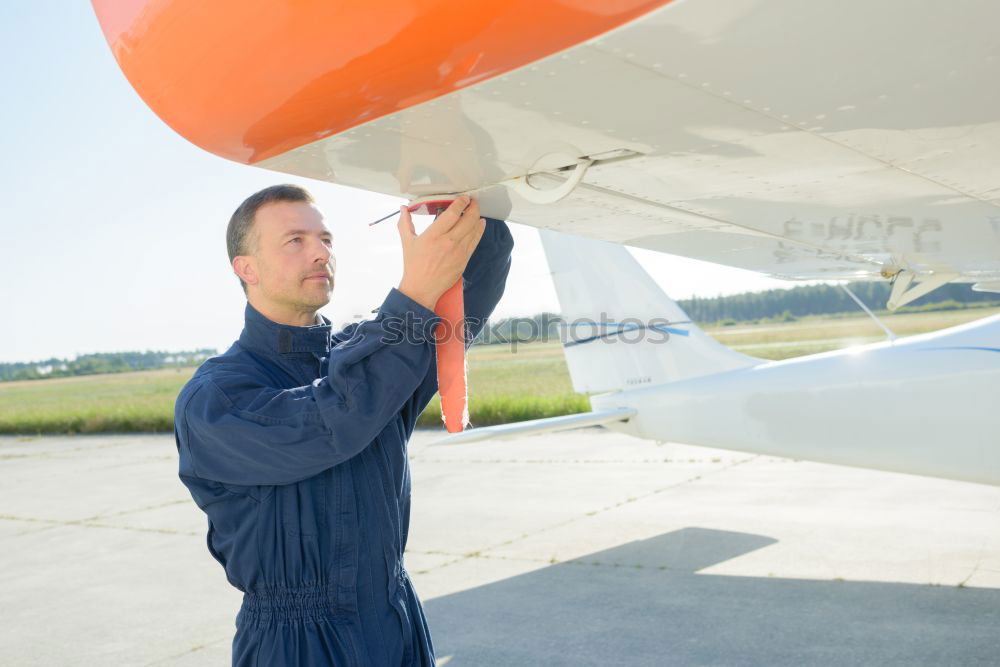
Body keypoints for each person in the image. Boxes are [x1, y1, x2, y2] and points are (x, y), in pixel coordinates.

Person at [173, 184, 513, 666]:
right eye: (295, 240)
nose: (320, 252)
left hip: (396, 625)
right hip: (296, 646)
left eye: (326, 238)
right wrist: (414, 291)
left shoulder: (367, 358)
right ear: (245, 268)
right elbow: (332, 421)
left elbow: (465, 301)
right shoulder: (215, 399)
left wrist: (473, 205)